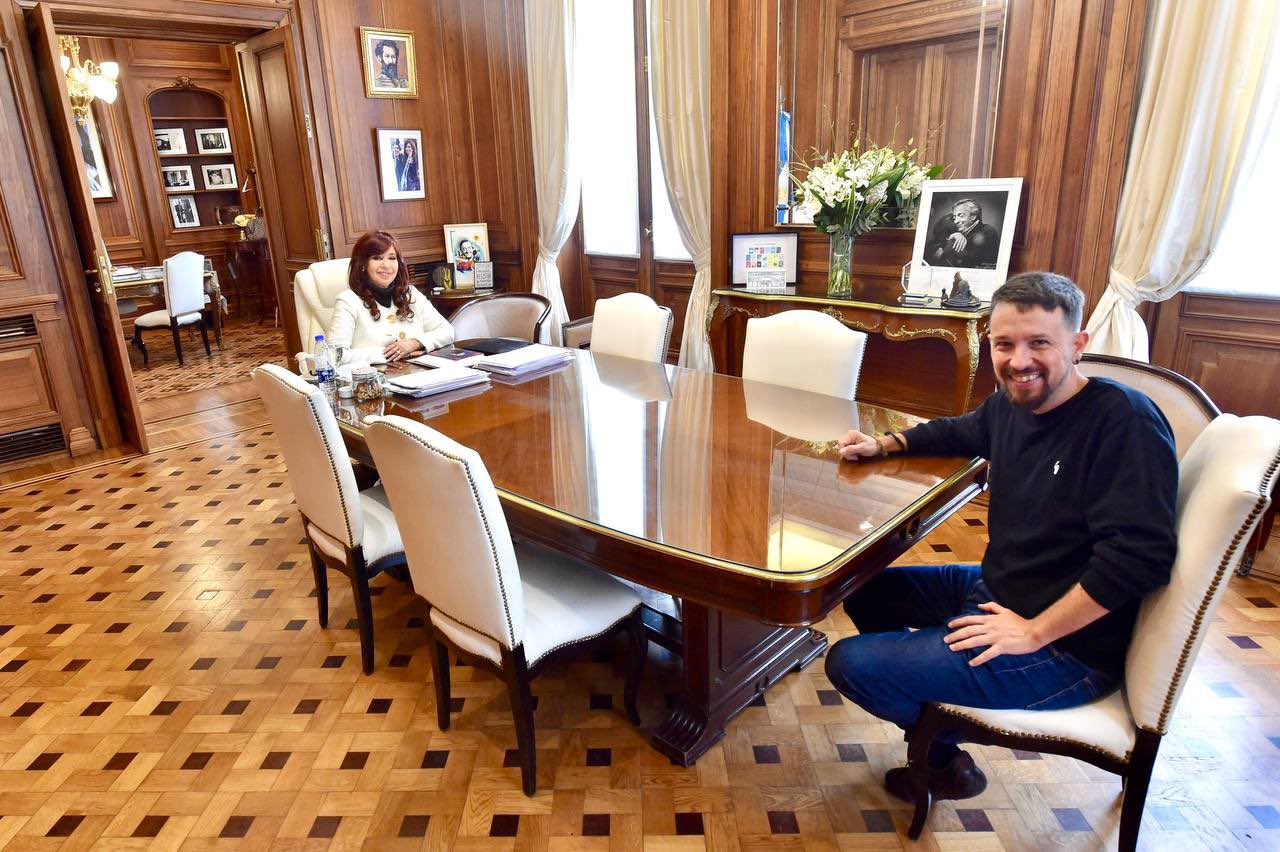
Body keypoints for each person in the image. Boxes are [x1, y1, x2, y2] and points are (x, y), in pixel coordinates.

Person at [825, 271, 1177, 804]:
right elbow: (960, 430)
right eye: (1004, 343)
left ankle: (937, 751)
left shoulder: (1122, 421)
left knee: (850, 664)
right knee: (859, 586)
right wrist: (886, 443)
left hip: (1067, 649)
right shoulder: (1013, 405)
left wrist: (1034, 632)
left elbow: (1141, 558)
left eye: (1040, 343)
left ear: (1078, 345)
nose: (1018, 361)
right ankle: (939, 706)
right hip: (1000, 591)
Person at [327, 230, 453, 362]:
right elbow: (335, 355)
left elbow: (447, 332)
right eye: (377, 258)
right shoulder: (348, 300)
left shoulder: (410, 293)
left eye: (392, 258)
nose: (386, 265)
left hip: (417, 374)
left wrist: (415, 343)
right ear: (363, 264)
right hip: (373, 379)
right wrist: (389, 353)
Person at [924, 199, 1000, 269]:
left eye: (961, 215)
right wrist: (953, 234)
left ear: (973, 216)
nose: (956, 221)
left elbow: (969, 263)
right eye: (954, 217)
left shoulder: (988, 232)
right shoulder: (956, 227)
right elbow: (939, 229)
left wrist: (944, 250)